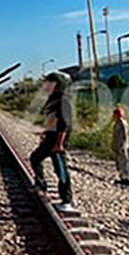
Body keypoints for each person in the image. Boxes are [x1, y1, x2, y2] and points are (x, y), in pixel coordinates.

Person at [29, 73, 75, 212]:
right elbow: (51, 119)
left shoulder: (64, 100)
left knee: (60, 169)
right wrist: (45, 132)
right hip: (50, 138)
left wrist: (60, 144)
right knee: (35, 158)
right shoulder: (52, 99)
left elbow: (65, 124)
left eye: (47, 82)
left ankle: (67, 201)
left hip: (57, 141)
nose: (44, 85)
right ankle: (41, 186)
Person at [112, 105, 129, 186]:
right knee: (119, 162)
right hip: (117, 145)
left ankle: (127, 178)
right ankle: (122, 177)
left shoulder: (122, 123)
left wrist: (122, 145)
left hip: (122, 146)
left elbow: (124, 135)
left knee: (124, 162)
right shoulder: (116, 123)